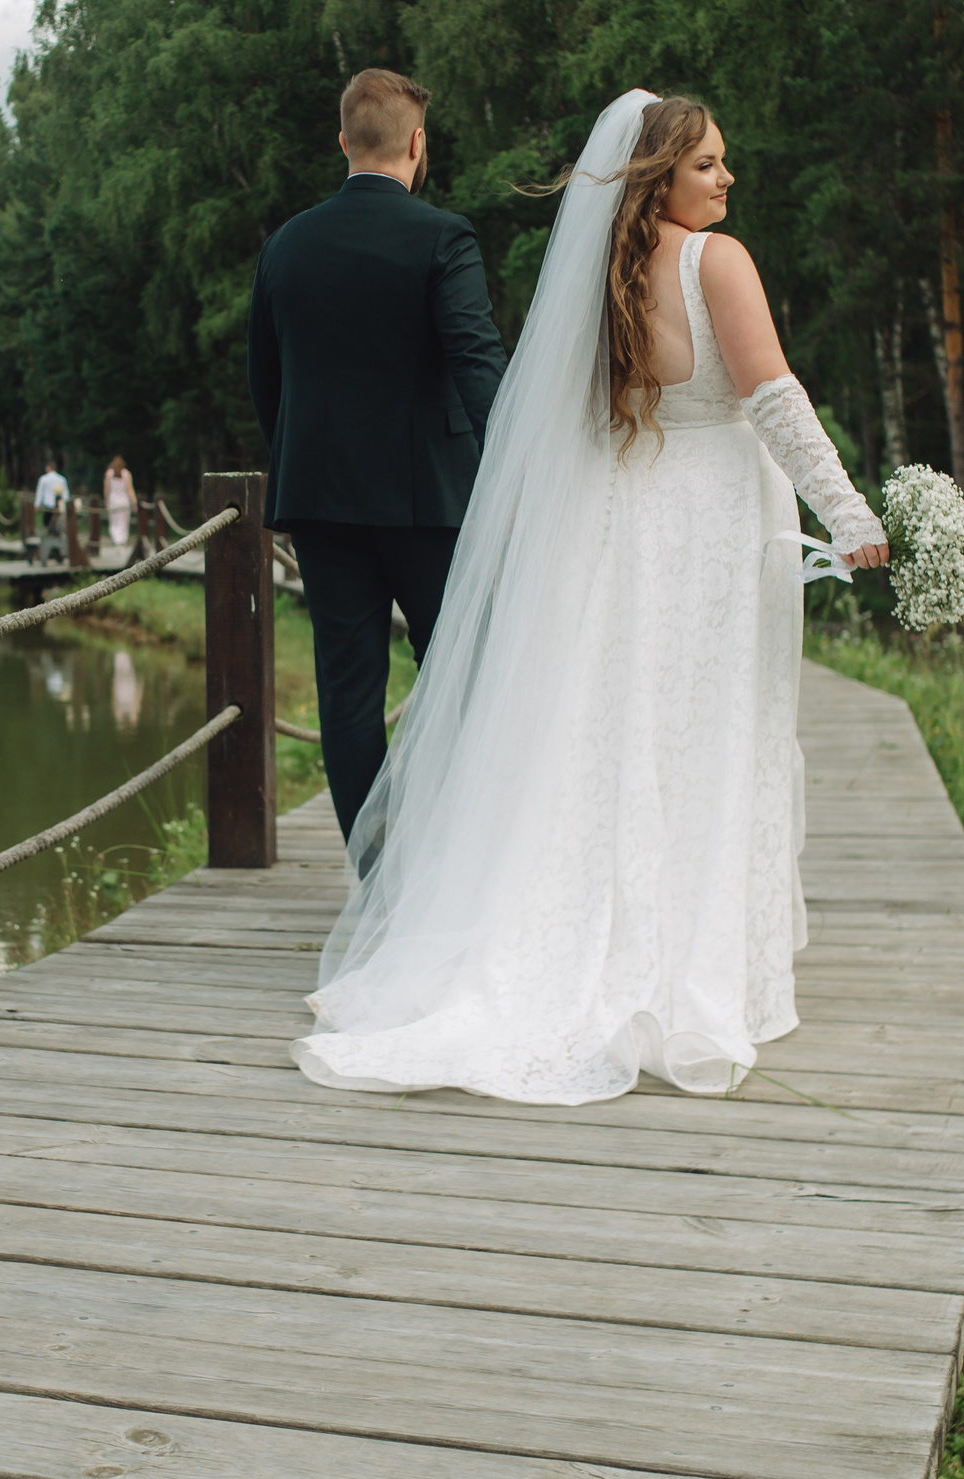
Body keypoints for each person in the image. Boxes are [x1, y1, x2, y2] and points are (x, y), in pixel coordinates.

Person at [291, 92, 889, 1106]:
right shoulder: (717, 261)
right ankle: (686, 961)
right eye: (708, 164)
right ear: (661, 171)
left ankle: (573, 938)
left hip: (623, 524)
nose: (725, 180)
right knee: (703, 732)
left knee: (612, 733)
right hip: (706, 526)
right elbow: (774, 398)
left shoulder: (601, 278)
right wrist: (851, 514)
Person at [249, 67, 509, 838]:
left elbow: (267, 381)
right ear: (418, 143)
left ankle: (374, 874)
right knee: (464, 676)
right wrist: (512, 470)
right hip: (432, 502)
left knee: (349, 694)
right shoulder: (442, 235)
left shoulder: (286, 245)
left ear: (343, 142)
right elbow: (475, 360)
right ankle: (455, 851)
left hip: (325, 506)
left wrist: (297, 475)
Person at [103, 455, 137, 549]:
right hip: (124, 500)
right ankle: (122, 540)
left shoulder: (109, 473)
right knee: (124, 521)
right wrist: (134, 501)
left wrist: (106, 500)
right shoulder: (127, 474)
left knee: (114, 522)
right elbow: (130, 489)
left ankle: (117, 539)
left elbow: (107, 489)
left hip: (113, 500)